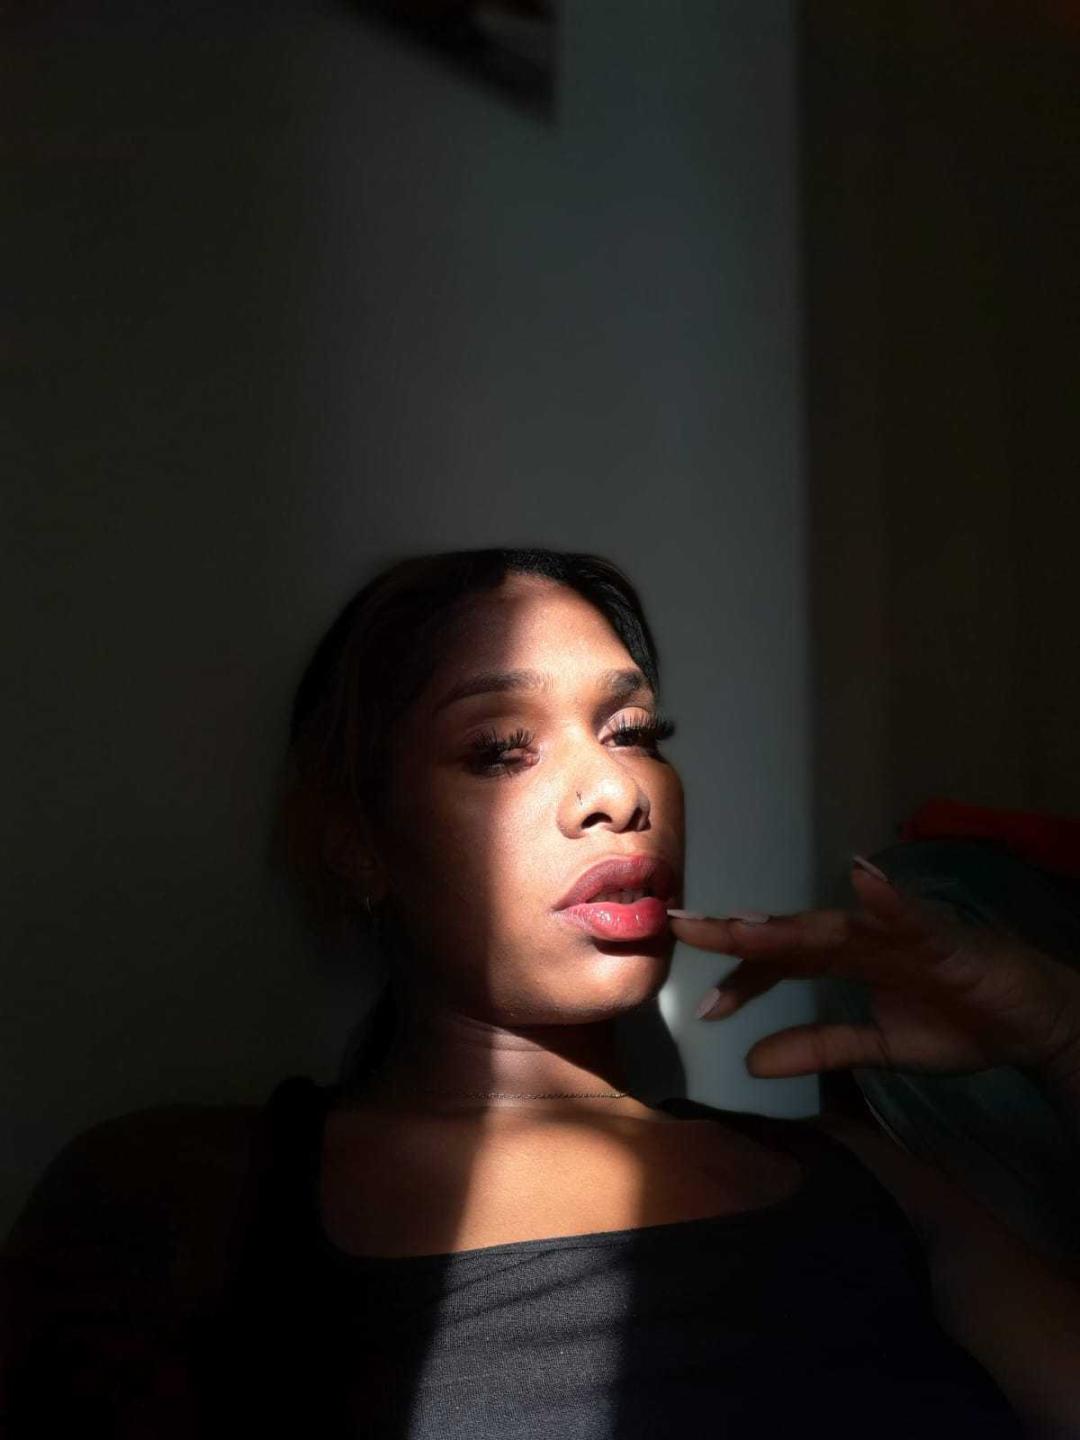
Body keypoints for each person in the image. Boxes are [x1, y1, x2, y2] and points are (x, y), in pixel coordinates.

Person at [5, 546, 1079, 1437]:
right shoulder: (186, 1191)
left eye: (634, 734)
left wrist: (1063, 1033)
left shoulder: (867, 1180)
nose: (617, 790)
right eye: (498, 750)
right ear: (358, 841)